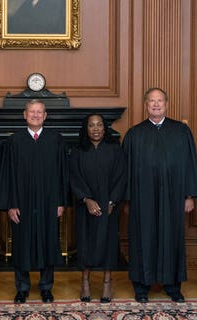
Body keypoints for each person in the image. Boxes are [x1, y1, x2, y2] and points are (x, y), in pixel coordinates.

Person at [123, 87, 197, 303]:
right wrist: (128, 200)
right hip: (142, 199)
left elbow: (189, 164)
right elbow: (126, 170)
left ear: (166, 104)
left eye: (160, 101)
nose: (156, 105)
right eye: (151, 101)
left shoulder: (181, 131)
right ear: (145, 105)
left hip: (173, 196)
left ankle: (172, 285)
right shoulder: (135, 134)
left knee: (172, 238)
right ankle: (141, 286)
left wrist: (189, 196)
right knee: (142, 238)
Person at [0, 99, 69, 304]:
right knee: (21, 245)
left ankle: (46, 287)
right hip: (22, 203)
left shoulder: (56, 139)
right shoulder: (14, 141)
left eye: (39, 112)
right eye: (32, 112)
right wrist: (10, 204)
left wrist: (61, 202)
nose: (36, 115)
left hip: (49, 202)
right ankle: (22, 287)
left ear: (45, 116)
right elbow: (7, 175)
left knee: (48, 242)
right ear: (24, 115)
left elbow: (64, 173)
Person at [70, 113, 126, 303]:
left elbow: (121, 177)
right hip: (85, 206)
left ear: (105, 128)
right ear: (86, 129)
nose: (95, 129)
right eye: (91, 125)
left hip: (109, 205)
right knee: (85, 243)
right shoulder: (78, 151)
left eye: (99, 125)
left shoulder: (114, 149)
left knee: (108, 243)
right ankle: (85, 282)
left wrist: (112, 202)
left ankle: (106, 283)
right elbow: (73, 177)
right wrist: (86, 199)